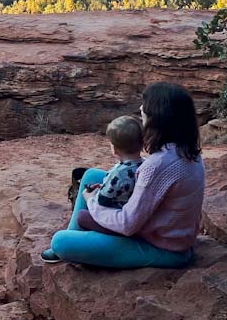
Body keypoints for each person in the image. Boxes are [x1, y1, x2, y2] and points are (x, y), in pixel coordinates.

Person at [41, 82, 205, 268]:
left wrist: (93, 200)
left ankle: (75, 242)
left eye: (146, 106)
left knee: (61, 241)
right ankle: (78, 234)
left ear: (159, 117)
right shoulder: (188, 150)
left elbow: (127, 224)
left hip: (164, 249)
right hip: (168, 234)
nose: (141, 108)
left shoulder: (158, 165)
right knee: (91, 175)